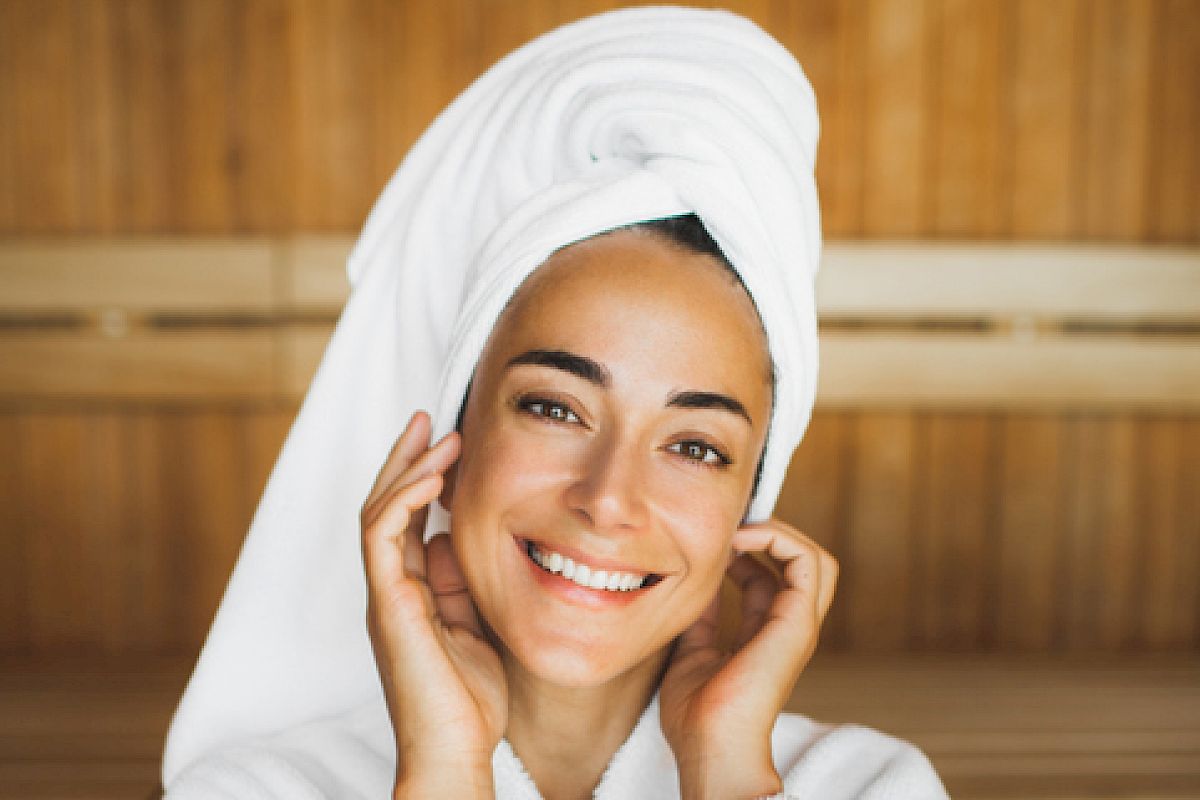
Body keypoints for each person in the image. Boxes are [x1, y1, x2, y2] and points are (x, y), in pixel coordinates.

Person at [161, 7, 948, 799]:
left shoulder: (870, 786)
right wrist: (443, 769)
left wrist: (727, 771)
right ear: (453, 441)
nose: (608, 500)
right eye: (556, 408)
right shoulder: (253, 788)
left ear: (750, 506)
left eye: (695, 447)